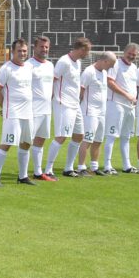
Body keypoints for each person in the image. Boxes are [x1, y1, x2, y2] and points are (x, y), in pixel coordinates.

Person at [0, 38, 34, 187]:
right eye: (19, 51)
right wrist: (5, 106)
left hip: (28, 112)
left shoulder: (28, 67)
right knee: (7, 143)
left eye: (24, 51)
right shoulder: (6, 68)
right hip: (13, 112)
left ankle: (23, 176)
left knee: (27, 143)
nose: (22, 53)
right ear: (13, 52)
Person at [45, 37, 91, 178]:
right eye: (87, 51)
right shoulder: (64, 61)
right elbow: (53, 80)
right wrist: (50, 99)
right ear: (81, 49)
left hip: (75, 104)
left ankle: (69, 168)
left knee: (79, 135)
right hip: (63, 103)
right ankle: (48, 169)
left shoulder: (78, 62)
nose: (88, 54)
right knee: (61, 136)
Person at [103, 43, 139, 173]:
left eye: (134, 54)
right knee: (112, 135)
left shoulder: (134, 67)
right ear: (124, 52)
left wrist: (134, 98)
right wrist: (126, 95)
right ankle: (107, 166)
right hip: (116, 104)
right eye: (129, 53)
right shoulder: (116, 64)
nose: (131, 56)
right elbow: (110, 82)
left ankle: (127, 165)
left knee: (126, 137)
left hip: (130, 106)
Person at [79, 51, 115, 176]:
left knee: (98, 140)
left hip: (101, 112)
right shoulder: (89, 71)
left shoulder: (104, 73)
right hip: (90, 111)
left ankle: (94, 166)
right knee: (87, 139)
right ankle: (81, 167)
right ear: (104, 61)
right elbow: (81, 89)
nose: (111, 67)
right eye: (110, 64)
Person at [26, 36, 55, 181]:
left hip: (46, 109)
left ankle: (38, 172)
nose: (44, 49)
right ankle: (23, 174)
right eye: (41, 47)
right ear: (35, 48)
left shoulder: (50, 65)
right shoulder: (28, 65)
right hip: (32, 109)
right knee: (26, 141)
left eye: (46, 47)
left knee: (41, 139)